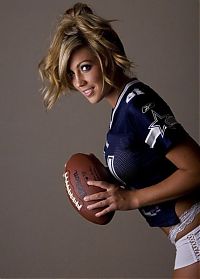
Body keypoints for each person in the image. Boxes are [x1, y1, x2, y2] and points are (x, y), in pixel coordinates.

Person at [38, 2, 200, 278]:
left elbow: (197, 168)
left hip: (194, 230)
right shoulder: (121, 112)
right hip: (184, 236)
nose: (78, 81)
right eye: (71, 74)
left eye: (85, 67)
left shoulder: (137, 104)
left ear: (106, 56)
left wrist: (131, 198)